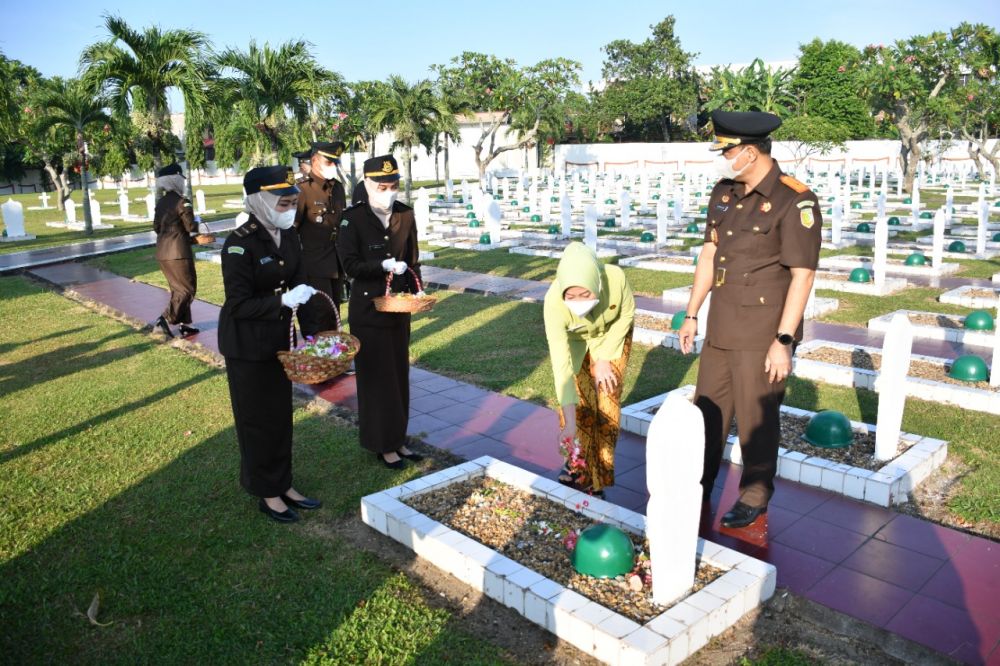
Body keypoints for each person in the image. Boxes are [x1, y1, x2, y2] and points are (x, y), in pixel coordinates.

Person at [678, 110, 822, 529]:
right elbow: (709, 254)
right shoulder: (724, 193)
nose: (722, 159)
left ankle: (754, 495)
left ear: (751, 152)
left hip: (762, 333)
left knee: (757, 419)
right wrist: (692, 313)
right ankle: (699, 483)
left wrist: (784, 340)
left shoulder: (794, 199)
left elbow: (803, 275)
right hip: (722, 325)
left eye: (728, 151)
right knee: (707, 412)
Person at [218, 165, 323, 523]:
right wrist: (281, 302)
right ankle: (266, 492)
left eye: (293, 203)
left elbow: (301, 285)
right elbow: (238, 304)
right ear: (259, 202)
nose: (290, 210)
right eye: (283, 204)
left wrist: (313, 336)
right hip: (246, 346)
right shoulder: (239, 244)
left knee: (280, 417)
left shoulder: (289, 236)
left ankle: (283, 483)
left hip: (279, 341)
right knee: (256, 420)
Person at [337, 155, 423, 469]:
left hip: (398, 306)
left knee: (398, 375)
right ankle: (381, 444)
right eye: (382, 186)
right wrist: (381, 265)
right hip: (368, 310)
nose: (388, 192)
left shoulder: (405, 214)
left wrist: (417, 289)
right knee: (376, 378)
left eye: (393, 186)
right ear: (368, 184)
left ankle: (398, 438)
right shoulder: (352, 219)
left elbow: (412, 258)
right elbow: (350, 265)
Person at [544, 241, 635, 498]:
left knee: (606, 401)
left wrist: (604, 358)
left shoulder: (615, 278)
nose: (578, 302)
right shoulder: (553, 303)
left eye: (585, 294)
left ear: (596, 284)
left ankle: (600, 473)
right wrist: (570, 423)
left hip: (612, 335)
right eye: (570, 296)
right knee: (579, 404)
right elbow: (561, 365)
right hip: (576, 342)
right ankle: (576, 463)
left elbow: (626, 314)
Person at [295, 141, 347, 337]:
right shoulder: (303, 189)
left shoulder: (337, 188)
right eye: (329, 162)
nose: (333, 166)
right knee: (317, 316)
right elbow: (292, 231)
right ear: (315, 161)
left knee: (333, 314)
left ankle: (333, 353)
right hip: (313, 265)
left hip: (335, 262)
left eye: (335, 162)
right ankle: (317, 353)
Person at [152, 163, 199, 338]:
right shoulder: (182, 201)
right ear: (175, 180)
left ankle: (185, 324)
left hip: (163, 252)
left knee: (178, 289)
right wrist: (197, 221)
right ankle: (163, 320)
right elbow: (190, 226)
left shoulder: (161, 203)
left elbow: (156, 227)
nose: (183, 182)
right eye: (181, 179)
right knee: (187, 289)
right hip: (178, 253)